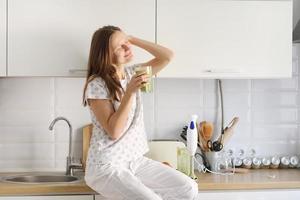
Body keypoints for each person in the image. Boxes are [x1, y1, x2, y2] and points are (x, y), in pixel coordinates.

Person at [83, 25, 198, 200]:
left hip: (135, 160)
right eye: (120, 46)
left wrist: (132, 39)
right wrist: (129, 92)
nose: (127, 48)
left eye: (127, 43)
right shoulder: (96, 84)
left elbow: (167, 56)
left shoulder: (132, 73)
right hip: (106, 166)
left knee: (188, 188)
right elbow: (114, 132)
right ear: (106, 53)